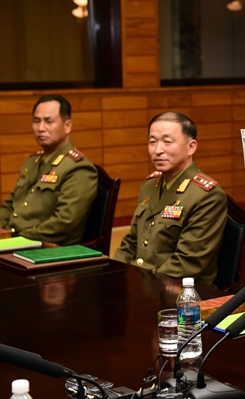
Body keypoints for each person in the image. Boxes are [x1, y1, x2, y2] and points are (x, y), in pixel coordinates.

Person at [114, 112, 227, 285]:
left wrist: (138, 284)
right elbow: (131, 242)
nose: (158, 150)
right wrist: (116, 274)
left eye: (167, 142)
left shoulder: (207, 195)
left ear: (191, 147)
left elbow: (187, 263)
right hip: (143, 281)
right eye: (153, 142)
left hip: (178, 292)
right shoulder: (150, 185)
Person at [0, 95, 98, 245]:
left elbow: (63, 223)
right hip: (18, 243)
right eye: (36, 121)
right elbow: (10, 205)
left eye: (49, 121)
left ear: (67, 126)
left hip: (47, 249)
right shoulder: (32, 162)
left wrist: (17, 240)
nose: (41, 128)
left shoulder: (78, 168)